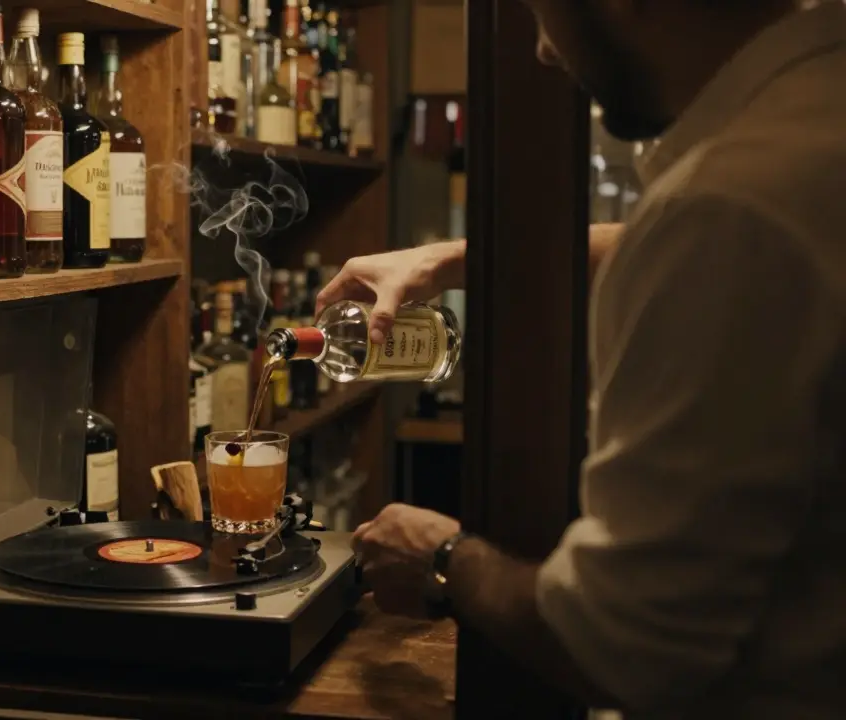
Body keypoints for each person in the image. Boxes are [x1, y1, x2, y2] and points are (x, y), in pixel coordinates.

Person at [320, 1, 846, 717]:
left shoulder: (729, 206)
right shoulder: (810, 118)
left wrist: (442, 556)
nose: (542, 49)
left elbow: (624, 649)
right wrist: (450, 259)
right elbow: (677, 244)